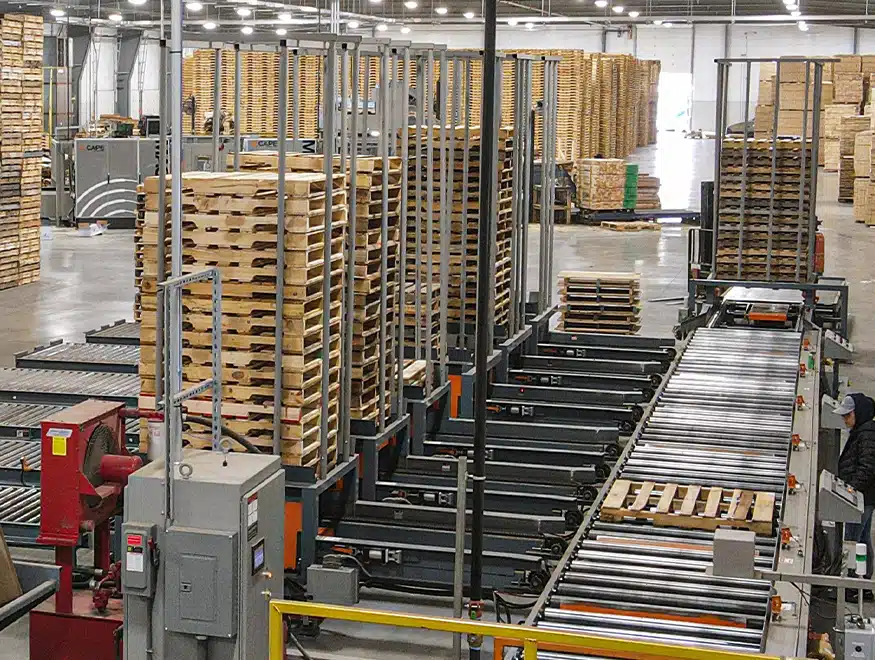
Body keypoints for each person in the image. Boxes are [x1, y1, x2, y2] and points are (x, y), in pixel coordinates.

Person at [835, 393, 875, 602]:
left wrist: (851, 489)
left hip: (861, 499)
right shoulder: (862, 431)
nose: (845, 420)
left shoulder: (866, 435)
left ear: (857, 414)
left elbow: (868, 467)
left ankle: (851, 586)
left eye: (847, 416)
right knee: (864, 538)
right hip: (865, 498)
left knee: (852, 540)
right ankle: (864, 583)